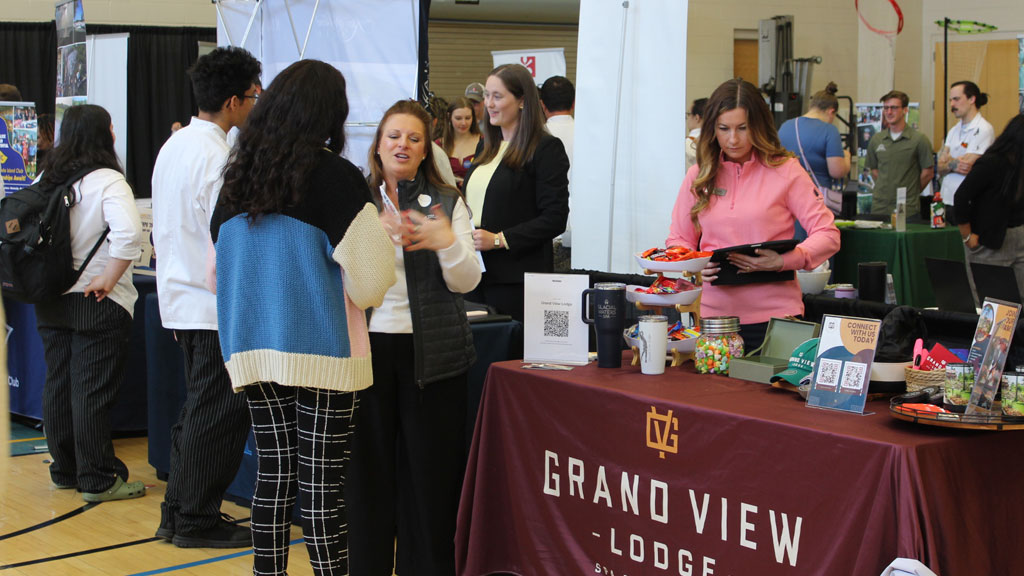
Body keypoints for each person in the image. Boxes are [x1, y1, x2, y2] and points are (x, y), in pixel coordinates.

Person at [212, 59, 395, 576]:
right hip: (325, 352)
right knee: (321, 493)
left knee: (272, 481)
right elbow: (372, 280)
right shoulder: (336, 177)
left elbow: (216, 268)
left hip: (252, 347)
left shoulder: (238, 177)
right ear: (330, 113)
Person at [347, 99, 480, 576]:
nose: (402, 144)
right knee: (367, 480)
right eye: (394, 136)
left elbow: (467, 281)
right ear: (378, 146)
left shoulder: (447, 201)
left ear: (426, 151)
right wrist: (370, 237)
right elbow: (339, 279)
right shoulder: (355, 201)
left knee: (430, 484)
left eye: (414, 138)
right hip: (365, 354)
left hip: (434, 358)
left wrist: (447, 243)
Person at [150, 46, 261, 549]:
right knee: (217, 415)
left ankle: (178, 511)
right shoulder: (218, 158)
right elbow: (229, 236)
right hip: (212, 302)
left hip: (181, 296)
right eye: (254, 96)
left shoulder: (174, 145)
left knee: (199, 410)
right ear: (234, 101)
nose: (256, 105)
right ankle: (195, 517)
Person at [666, 78, 840, 351]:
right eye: (724, 128)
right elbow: (678, 239)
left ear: (758, 126)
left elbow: (828, 234)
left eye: (742, 128)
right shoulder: (699, 175)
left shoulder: (787, 171)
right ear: (712, 128)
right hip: (716, 323)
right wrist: (696, 264)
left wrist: (785, 260)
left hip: (779, 321)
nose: (733, 139)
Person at [34, 104, 144, 502]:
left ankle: (65, 469)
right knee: (91, 390)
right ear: (105, 134)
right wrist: (109, 277)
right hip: (97, 298)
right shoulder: (108, 181)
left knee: (58, 384)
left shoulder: (46, 177)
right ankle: (97, 478)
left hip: (50, 296)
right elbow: (129, 233)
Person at [463, 63, 570, 322]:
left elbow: (554, 218)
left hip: (516, 280)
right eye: (487, 95)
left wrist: (499, 239)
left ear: (522, 101)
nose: (489, 103)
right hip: (476, 274)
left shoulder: (545, 149)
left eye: (497, 96)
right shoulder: (485, 147)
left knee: (510, 345)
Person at [955, 113, 1024, 303]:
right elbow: (961, 197)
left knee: (1018, 303)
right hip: (988, 240)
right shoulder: (992, 162)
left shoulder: (1019, 166)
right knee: (991, 303)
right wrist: (967, 236)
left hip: (1017, 235)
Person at [865, 90, 934, 219]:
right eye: (886, 108)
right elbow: (874, 171)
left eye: (894, 108)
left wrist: (911, 193)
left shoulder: (919, 140)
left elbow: (928, 173)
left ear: (905, 110)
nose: (889, 112)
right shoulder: (876, 139)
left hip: (907, 208)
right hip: (880, 207)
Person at [778, 82, 851, 200]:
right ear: (831, 111)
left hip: (788, 197)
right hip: (816, 199)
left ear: (811, 106)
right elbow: (837, 171)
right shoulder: (829, 130)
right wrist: (847, 157)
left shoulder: (785, 126)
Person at [937, 81, 995, 225]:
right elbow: (939, 167)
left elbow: (966, 165)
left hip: (967, 202)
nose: (952, 104)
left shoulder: (983, 129)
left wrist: (948, 161)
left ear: (971, 99)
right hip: (947, 200)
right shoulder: (953, 130)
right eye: (950, 100)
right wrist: (952, 164)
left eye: (956, 99)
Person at [438, 96, 482, 186]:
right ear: (449, 117)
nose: (463, 123)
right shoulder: (439, 145)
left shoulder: (484, 142)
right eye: (458, 118)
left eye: (468, 118)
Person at [685, 97, 708, 173]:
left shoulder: (686, 144)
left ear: (697, 118)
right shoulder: (717, 141)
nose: (687, 118)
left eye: (688, 114)